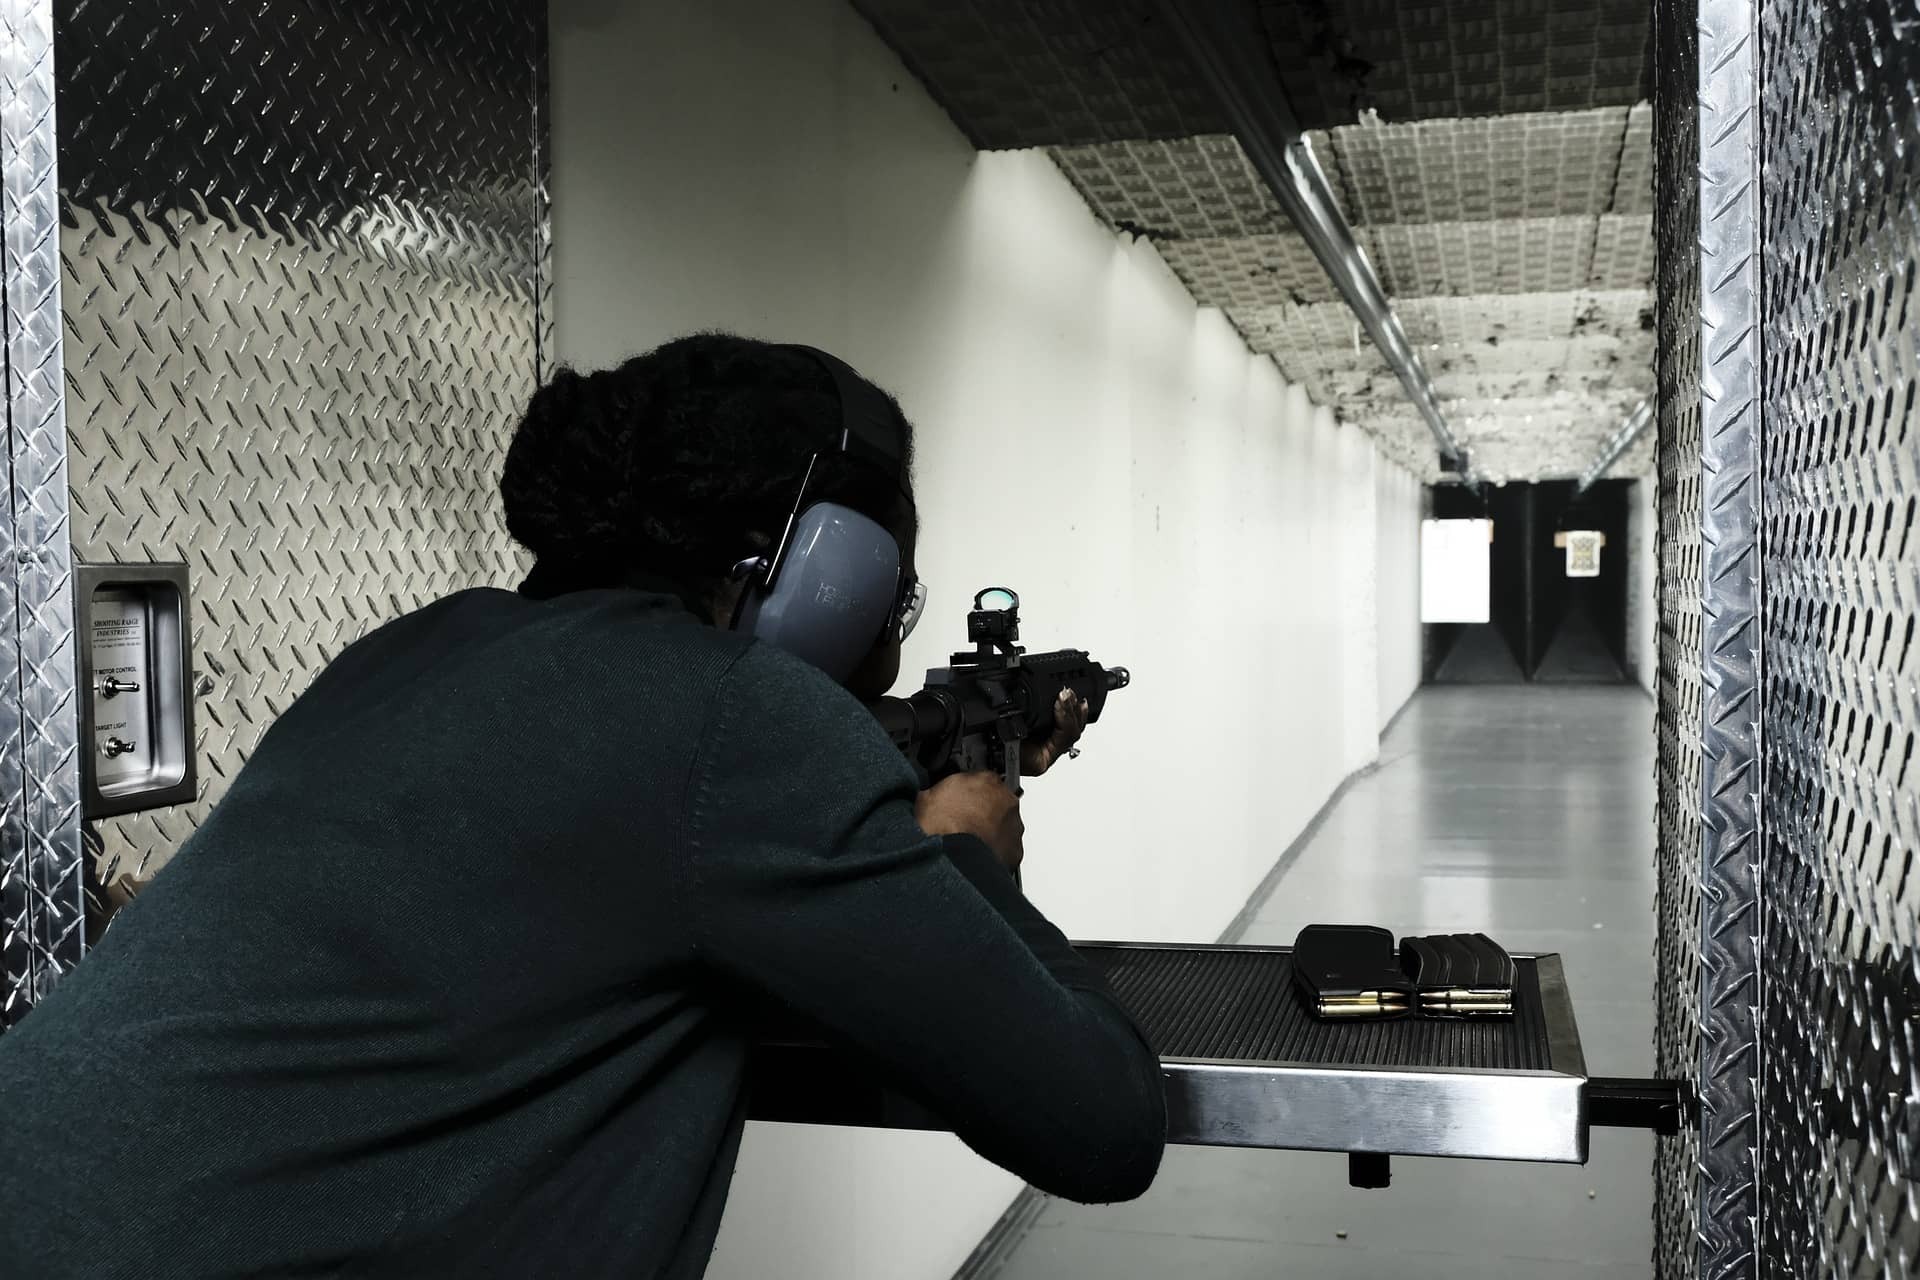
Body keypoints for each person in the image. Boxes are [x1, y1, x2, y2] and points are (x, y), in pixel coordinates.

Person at [0, 333, 1167, 1278]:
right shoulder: (737, 720)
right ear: (828, 570)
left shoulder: (411, 649)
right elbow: (1101, 1122)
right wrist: (965, 856)